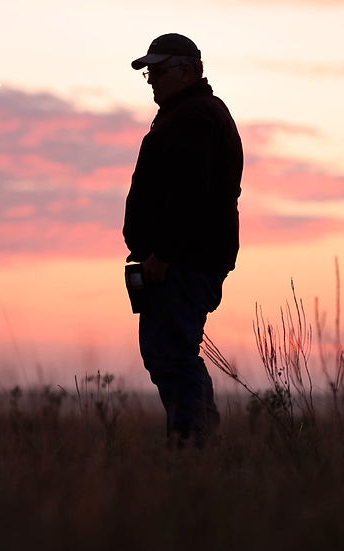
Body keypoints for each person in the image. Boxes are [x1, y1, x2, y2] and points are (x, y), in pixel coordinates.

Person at [123, 33, 243, 447]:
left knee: (171, 354)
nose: (152, 79)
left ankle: (192, 446)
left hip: (183, 262)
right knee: (172, 352)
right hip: (185, 259)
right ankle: (199, 443)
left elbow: (189, 195)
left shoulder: (194, 117)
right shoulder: (189, 114)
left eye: (159, 71)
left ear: (189, 71)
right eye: (149, 73)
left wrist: (163, 255)